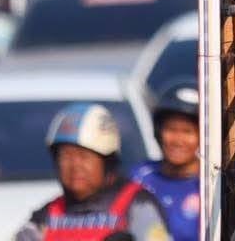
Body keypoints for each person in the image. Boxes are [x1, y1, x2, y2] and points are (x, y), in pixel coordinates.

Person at [16, 102, 169, 241]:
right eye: (66, 156)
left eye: (84, 156)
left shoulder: (138, 204)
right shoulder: (46, 216)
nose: (75, 166)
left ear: (107, 161)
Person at [131, 80, 201, 241]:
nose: (178, 140)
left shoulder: (210, 184)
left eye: (187, 132)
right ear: (158, 132)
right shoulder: (139, 177)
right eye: (171, 129)